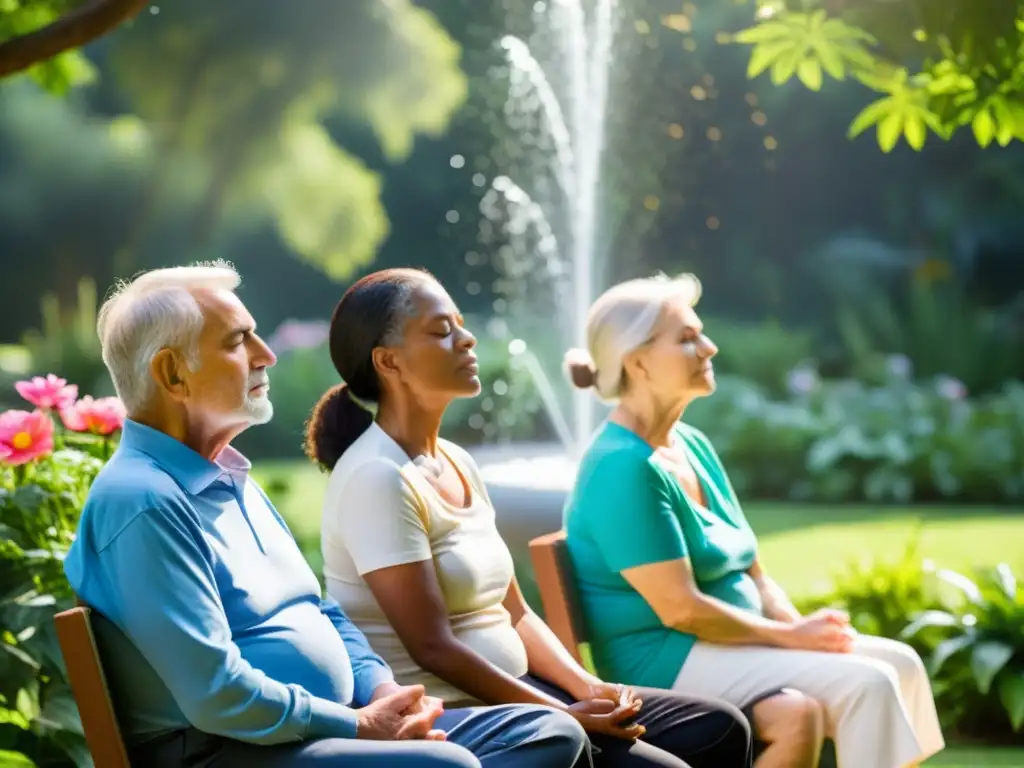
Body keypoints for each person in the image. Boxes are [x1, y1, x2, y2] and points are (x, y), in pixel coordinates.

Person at [63, 261, 589, 768]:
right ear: (172, 373)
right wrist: (359, 725)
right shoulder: (144, 500)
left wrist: (384, 693)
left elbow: (323, 613)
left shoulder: (227, 478)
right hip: (231, 750)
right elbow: (217, 696)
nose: (265, 355)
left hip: (326, 731)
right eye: (236, 341)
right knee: (450, 763)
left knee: (550, 733)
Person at [304, 267, 754, 768]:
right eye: (441, 331)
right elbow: (433, 648)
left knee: (719, 728)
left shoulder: (456, 460)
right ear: (389, 362)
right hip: (464, 716)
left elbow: (514, 611)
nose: (467, 338)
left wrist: (589, 686)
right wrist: (564, 711)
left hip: (525, 692)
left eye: (460, 323)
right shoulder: (377, 476)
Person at [560, 272, 946, 768]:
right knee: (868, 682)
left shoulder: (690, 444)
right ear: (637, 361)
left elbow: (753, 571)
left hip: (723, 647)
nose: (710, 347)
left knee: (902, 663)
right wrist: (793, 639)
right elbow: (681, 609)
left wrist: (798, 626)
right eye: (688, 338)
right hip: (668, 659)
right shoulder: (622, 467)